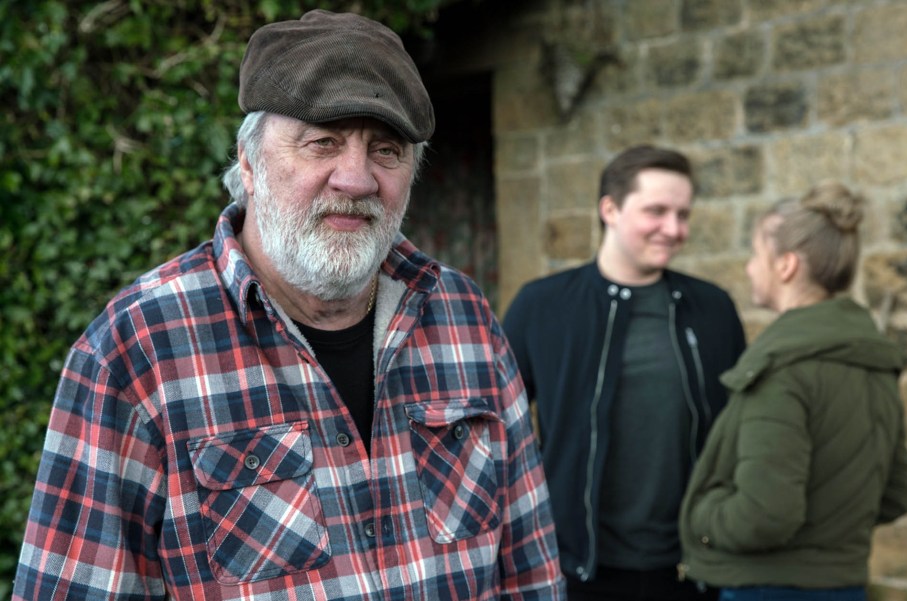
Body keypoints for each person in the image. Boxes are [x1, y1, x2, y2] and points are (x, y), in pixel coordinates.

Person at [13, 10, 563, 601]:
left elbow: (530, 571)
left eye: (386, 150)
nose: (356, 179)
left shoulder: (465, 319)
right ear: (249, 163)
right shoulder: (135, 350)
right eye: (321, 141)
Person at [503, 145, 746, 601]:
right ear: (609, 209)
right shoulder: (543, 306)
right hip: (575, 567)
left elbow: (739, 430)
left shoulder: (713, 309)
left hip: (690, 567)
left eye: (683, 214)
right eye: (656, 211)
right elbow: (495, 431)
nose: (674, 229)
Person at [678, 182, 907, 601]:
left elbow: (764, 516)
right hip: (845, 587)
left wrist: (699, 518)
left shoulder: (781, 368)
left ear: (786, 265)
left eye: (755, 255)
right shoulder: (874, 358)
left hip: (767, 590)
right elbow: (894, 496)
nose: (751, 268)